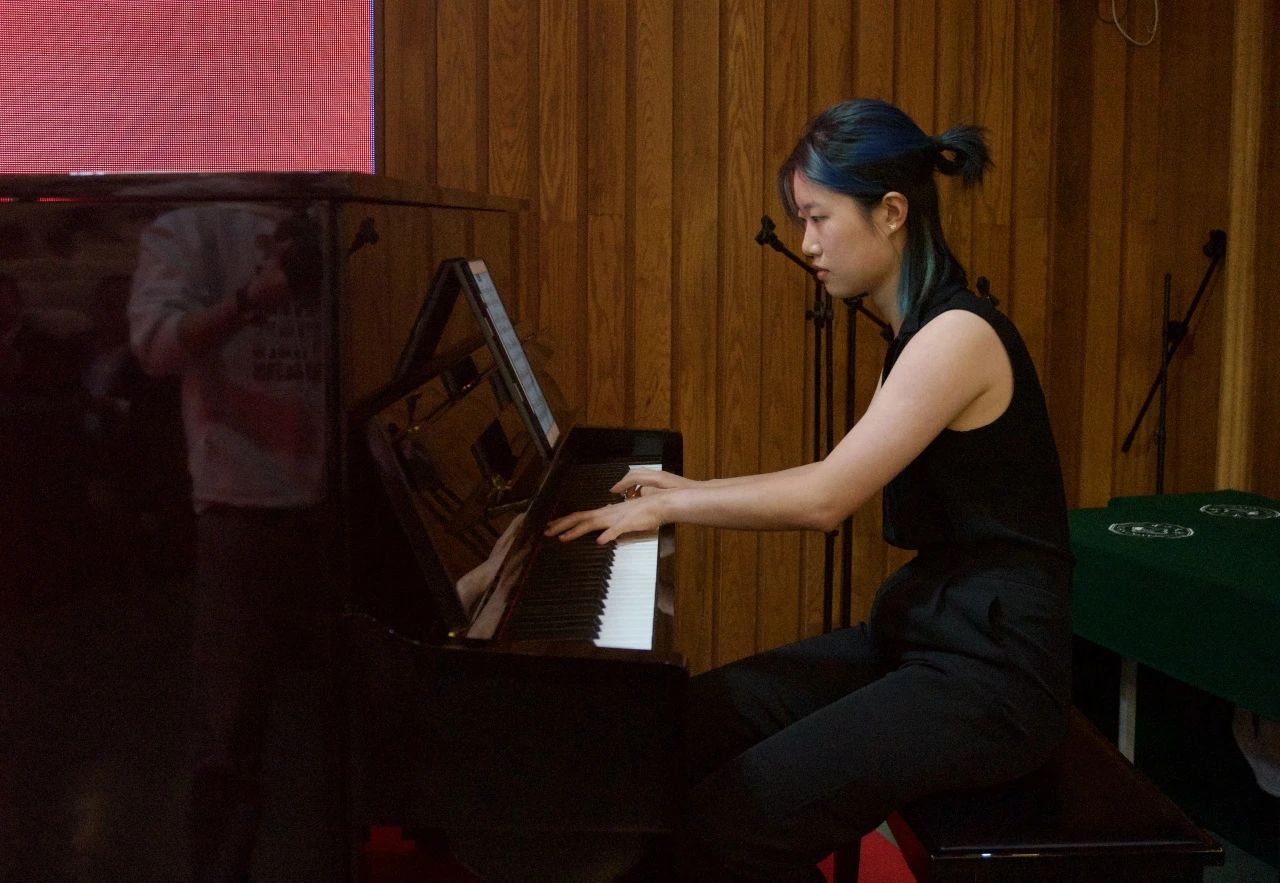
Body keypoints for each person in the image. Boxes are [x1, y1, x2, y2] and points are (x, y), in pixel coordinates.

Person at [546, 98, 1073, 883]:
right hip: (928, 636)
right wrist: (688, 487)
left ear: (891, 213)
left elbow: (828, 496)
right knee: (675, 729)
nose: (807, 243)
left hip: (994, 675)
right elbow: (833, 468)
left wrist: (672, 502)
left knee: (733, 819)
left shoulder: (958, 337)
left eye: (819, 217)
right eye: (802, 220)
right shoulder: (917, 334)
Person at [128, 203, 335, 882]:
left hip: (337, 495)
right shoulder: (190, 223)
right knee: (230, 732)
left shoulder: (321, 208)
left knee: (360, 722)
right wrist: (251, 299)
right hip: (241, 505)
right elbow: (155, 348)